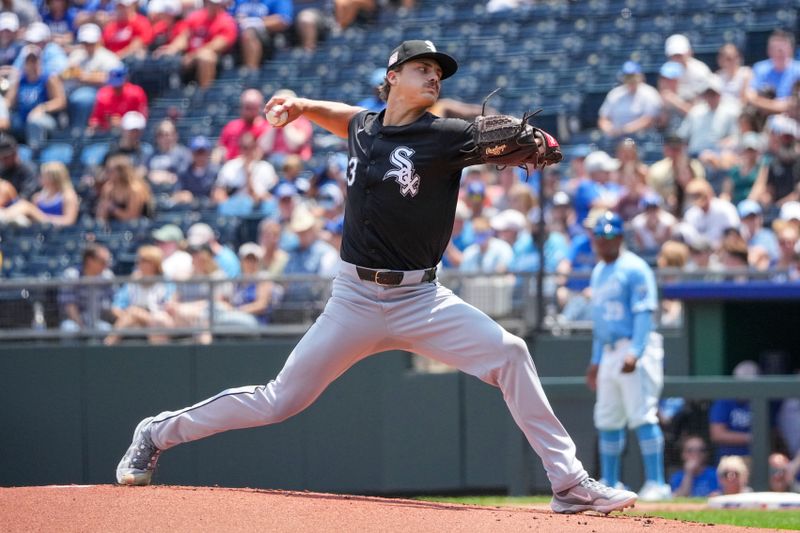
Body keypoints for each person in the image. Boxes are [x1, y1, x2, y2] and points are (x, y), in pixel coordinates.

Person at [115, 39, 637, 514]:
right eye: (422, 69)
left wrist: (535, 138)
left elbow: (495, 135)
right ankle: (157, 432)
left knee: (511, 353)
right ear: (393, 77)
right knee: (280, 401)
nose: (434, 78)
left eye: (438, 72)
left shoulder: (446, 136)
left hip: (421, 299)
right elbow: (348, 118)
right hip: (354, 300)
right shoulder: (365, 127)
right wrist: (301, 106)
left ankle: (568, 484)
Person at [585, 211, 670, 502]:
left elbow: (644, 312)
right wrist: (596, 361)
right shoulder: (598, 272)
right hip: (609, 350)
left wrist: (636, 351)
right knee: (608, 417)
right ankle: (610, 480)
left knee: (642, 414)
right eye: (599, 236)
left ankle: (657, 483)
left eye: (609, 236)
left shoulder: (635, 268)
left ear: (620, 237)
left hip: (633, 346)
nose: (603, 241)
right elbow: (600, 324)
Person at [104, 245, 174, 345]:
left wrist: (138, 315)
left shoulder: (165, 281)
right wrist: (130, 317)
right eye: (140, 261)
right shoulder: (132, 282)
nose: (140, 264)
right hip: (133, 321)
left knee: (138, 314)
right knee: (133, 312)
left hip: (158, 319)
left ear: (155, 264)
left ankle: (108, 344)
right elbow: (116, 307)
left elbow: (169, 305)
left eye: (146, 261)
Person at [62, 23, 123, 129]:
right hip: (73, 90)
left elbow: (114, 79)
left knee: (82, 98)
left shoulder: (109, 58)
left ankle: (78, 132)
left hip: (100, 94)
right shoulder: (77, 55)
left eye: (91, 42)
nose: (88, 45)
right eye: (85, 42)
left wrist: (85, 77)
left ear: (98, 41)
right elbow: (64, 74)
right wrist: (70, 72)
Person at [6, 45, 66, 150]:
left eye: (34, 60)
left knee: (35, 122)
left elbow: (60, 101)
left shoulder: (49, 78)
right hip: (22, 118)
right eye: (29, 61)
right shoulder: (20, 80)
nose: (32, 64)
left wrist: (41, 108)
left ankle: (35, 154)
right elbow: (9, 102)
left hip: (45, 119)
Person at [58, 244, 115, 334]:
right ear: (90, 261)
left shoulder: (107, 276)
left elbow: (111, 303)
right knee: (69, 329)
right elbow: (69, 305)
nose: (106, 266)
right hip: (74, 321)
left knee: (108, 330)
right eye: (102, 262)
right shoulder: (72, 275)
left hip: (98, 321)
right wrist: (82, 327)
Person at [0, 161, 78, 226]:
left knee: (25, 205)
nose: (40, 178)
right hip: (39, 228)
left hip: (52, 225)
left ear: (53, 178)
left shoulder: (68, 196)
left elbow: (69, 221)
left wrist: (46, 219)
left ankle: (4, 216)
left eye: (44, 176)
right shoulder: (38, 197)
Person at [597, 60, 661, 139]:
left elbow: (650, 120)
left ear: (640, 76)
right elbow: (603, 119)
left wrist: (625, 130)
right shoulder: (615, 93)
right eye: (627, 76)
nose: (631, 79)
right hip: (616, 138)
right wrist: (609, 129)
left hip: (642, 137)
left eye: (633, 76)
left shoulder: (649, 93)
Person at [709, 360, 758, 463]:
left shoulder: (760, 401)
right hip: (729, 459)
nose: (745, 389)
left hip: (756, 459)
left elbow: (772, 432)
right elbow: (717, 434)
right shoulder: (724, 401)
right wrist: (751, 438)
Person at [87, 66, 148, 133]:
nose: (116, 87)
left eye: (118, 84)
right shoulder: (103, 94)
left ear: (126, 80)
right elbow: (95, 119)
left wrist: (123, 122)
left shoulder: (136, 93)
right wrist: (98, 125)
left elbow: (142, 118)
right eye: (113, 84)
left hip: (130, 133)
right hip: (107, 133)